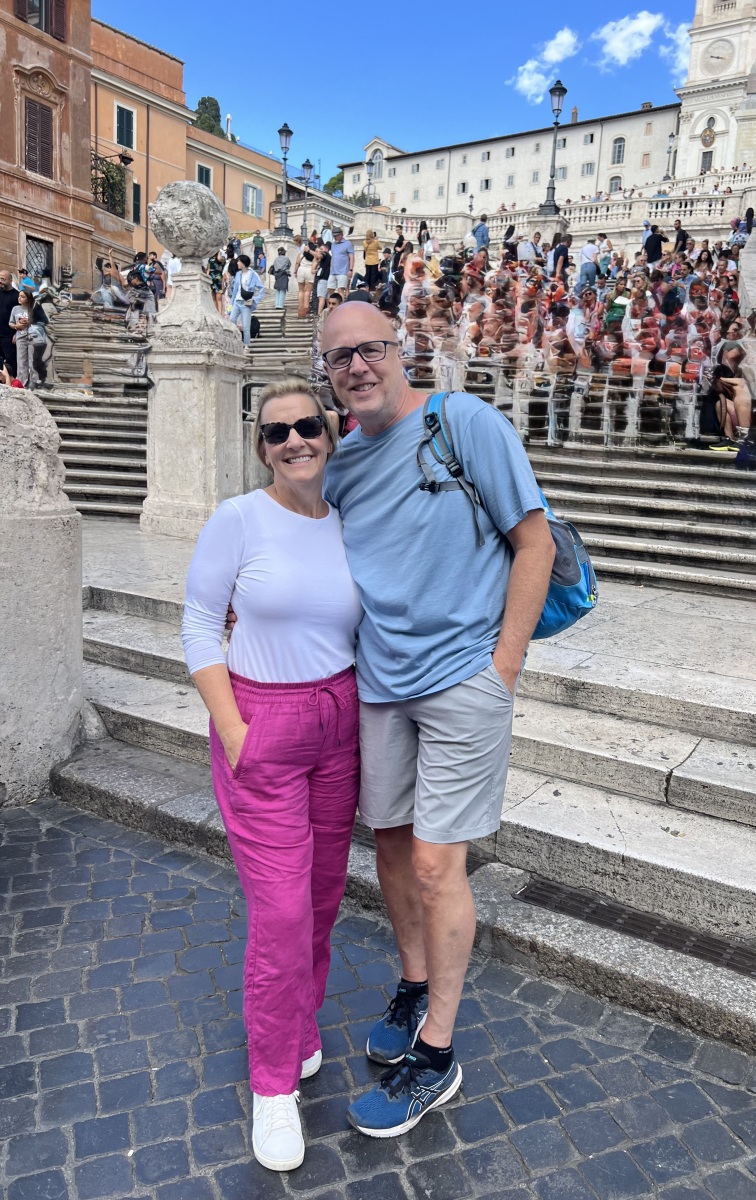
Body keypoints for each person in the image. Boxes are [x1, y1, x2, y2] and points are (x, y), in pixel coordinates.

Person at [318, 301, 555, 1138]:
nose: (358, 366)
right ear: (328, 372)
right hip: (381, 684)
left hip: (463, 680)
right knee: (389, 846)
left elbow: (535, 542)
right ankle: (414, 984)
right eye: (340, 357)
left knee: (432, 865)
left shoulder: (466, 423)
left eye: (371, 348)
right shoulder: (341, 463)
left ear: (400, 349)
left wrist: (504, 668)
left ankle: (438, 1053)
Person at [183, 378, 361, 1173]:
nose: (294, 441)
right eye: (277, 432)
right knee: (282, 911)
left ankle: (300, 1021)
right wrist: (233, 730)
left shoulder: (348, 521)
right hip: (263, 722)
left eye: (307, 427)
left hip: (339, 723)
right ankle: (273, 1082)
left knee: (321, 898)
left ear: (329, 433)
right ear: (261, 448)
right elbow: (198, 623)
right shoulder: (238, 518)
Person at [9, 289, 48, 388]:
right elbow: (11, 323)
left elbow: (44, 321)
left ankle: (33, 382)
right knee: (21, 361)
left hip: (33, 337)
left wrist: (30, 322)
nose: (19, 298)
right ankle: (22, 383)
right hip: (20, 337)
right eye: (19, 296)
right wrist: (16, 326)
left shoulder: (34, 308)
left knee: (32, 361)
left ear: (28, 298)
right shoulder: (15, 309)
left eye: (23, 297)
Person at [229, 254, 264, 352]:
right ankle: (234, 340)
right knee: (232, 319)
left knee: (246, 325)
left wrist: (255, 299)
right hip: (237, 301)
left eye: (239, 261)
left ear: (243, 264)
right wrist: (231, 303)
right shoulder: (238, 274)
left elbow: (261, 288)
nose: (237, 263)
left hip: (246, 302)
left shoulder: (252, 274)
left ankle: (246, 345)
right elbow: (235, 290)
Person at [0, 270, 19, 375]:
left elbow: (21, 315)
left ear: (10, 280)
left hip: (9, 336)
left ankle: (13, 382)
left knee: (11, 362)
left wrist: (17, 333)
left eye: (3, 279)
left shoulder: (17, 296)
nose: (0, 281)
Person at [327, 229, 354, 299]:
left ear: (341, 234)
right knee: (330, 289)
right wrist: (330, 269)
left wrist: (350, 269)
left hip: (343, 271)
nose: (335, 237)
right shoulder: (333, 244)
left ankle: (340, 304)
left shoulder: (348, 243)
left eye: (336, 236)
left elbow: (351, 257)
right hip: (333, 271)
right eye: (334, 236)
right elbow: (333, 257)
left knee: (340, 290)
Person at [293, 239, 316, 318]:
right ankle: (306, 309)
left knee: (301, 291)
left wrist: (295, 271)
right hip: (309, 271)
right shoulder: (314, 255)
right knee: (308, 291)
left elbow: (297, 263)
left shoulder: (301, 254)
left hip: (301, 270)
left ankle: (300, 310)